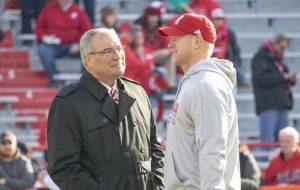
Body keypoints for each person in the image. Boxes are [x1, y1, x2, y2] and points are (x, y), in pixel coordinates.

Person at [47, 27, 165, 190]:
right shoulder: (68, 102)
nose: (117, 56)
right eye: (108, 51)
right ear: (89, 60)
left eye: (119, 48)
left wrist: (158, 185)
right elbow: (63, 168)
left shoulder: (138, 92)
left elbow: (155, 147)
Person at [158, 13, 241, 189]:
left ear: (196, 41)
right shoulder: (197, 82)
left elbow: (213, 152)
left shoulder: (204, 86)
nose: (170, 43)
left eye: (177, 37)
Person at [35, 0, 92, 86]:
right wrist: (44, 37)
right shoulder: (49, 9)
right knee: (43, 50)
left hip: (73, 45)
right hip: (53, 45)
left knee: (89, 49)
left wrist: (78, 44)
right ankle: (54, 77)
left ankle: (85, 78)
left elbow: (88, 31)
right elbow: (39, 28)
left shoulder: (78, 10)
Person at [251, 34, 296, 142]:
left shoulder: (276, 59)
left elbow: (281, 77)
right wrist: (282, 77)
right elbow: (261, 79)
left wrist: (290, 79)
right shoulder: (260, 57)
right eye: (282, 47)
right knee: (267, 142)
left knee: (283, 143)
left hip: (282, 104)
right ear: (274, 44)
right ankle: (264, 160)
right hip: (268, 105)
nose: (283, 50)